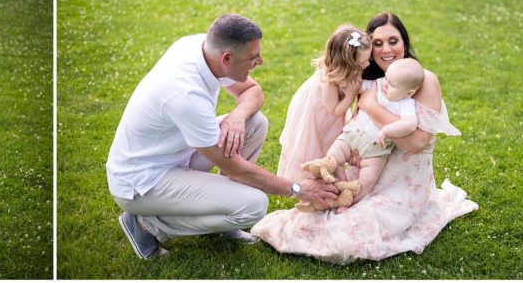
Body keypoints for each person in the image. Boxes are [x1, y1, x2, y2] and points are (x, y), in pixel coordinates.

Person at [104, 14, 339, 260]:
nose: (260, 61)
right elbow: (238, 170)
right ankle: (145, 225)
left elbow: (252, 91)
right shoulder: (185, 94)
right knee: (254, 206)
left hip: (176, 155)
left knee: (254, 123)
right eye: (253, 57)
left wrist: (237, 115)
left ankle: (222, 218)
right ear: (227, 58)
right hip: (143, 182)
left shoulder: (201, 47)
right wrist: (298, 188)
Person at [250, 13, 478, 264]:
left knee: (345, 235)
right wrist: (356, 151)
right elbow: (353, 126)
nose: (386, 49)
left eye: (393, 41)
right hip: (368, 173)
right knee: (311, 221)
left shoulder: (423, 80)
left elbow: (415, 144)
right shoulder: (368, 81)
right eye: (378, 43)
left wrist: (371, 107)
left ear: (405, 42)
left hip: (403, 182)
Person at [323, 58, 424, 212]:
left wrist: (387, 131)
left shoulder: (405, 104)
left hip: (375, 150)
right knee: (332, 156)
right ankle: (341, 186)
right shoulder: (376, 84)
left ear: (409, 93)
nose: (385, 84)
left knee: (368, 181)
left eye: (392, 85)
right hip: (352, 135)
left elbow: (409, 124)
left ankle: (349, 200)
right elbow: (355, 85)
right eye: (386, 78)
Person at [276, 25, 372, 182]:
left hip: (329, 115)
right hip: (317, 114)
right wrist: (350, 95)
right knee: (313, 145)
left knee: (330, 142)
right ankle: (310, 180)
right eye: (362, 62)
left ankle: (330, 175)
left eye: (368, 60)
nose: (367, 65)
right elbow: (334, 110)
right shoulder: (328, 79)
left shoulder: (347, 70)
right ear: (346, 63)